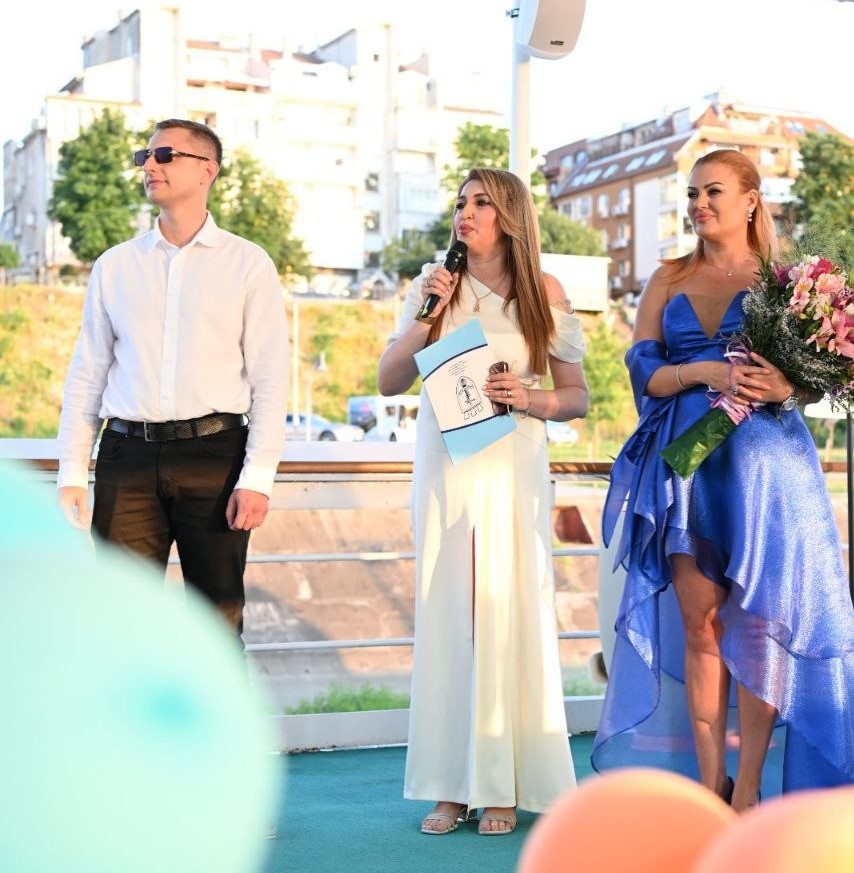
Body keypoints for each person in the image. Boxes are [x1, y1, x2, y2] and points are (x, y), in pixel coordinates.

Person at [594, 149, 854, 809]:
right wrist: (704, 372)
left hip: (768, 472)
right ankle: (713, 784)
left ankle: (751, 790)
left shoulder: (788, 282)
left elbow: (826, 371)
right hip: (688, 471)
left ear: (750, 200)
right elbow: (645, 374)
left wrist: (790, 386)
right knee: (700, 623)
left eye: (712, 191)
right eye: (691, 194)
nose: (699, 204)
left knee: (760, 629)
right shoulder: (666, 278)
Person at [379, 168, 589, 835]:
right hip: (445, 463)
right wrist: (426, 315)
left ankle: (502, 782)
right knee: (449, 610)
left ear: (511, 216)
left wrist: (530, 397)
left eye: (481, 203)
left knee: (505, 607)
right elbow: (388, 380)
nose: (465, 213)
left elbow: (577, 396)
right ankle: (450, 785)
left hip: (513, 460)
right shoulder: (432, 286)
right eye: (460, 203)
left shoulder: (544, 292)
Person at [57, 118, 289, 635]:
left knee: (217, 624)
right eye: (145, 156)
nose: (150, 165)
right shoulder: (115, 266)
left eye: (165, 155)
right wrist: (72, 469)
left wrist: (257, 478)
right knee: (121, 622)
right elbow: (87, 373)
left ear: (208, 170)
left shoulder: (248, 264)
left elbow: (271, 379)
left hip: (216, 457)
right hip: (126, 458)